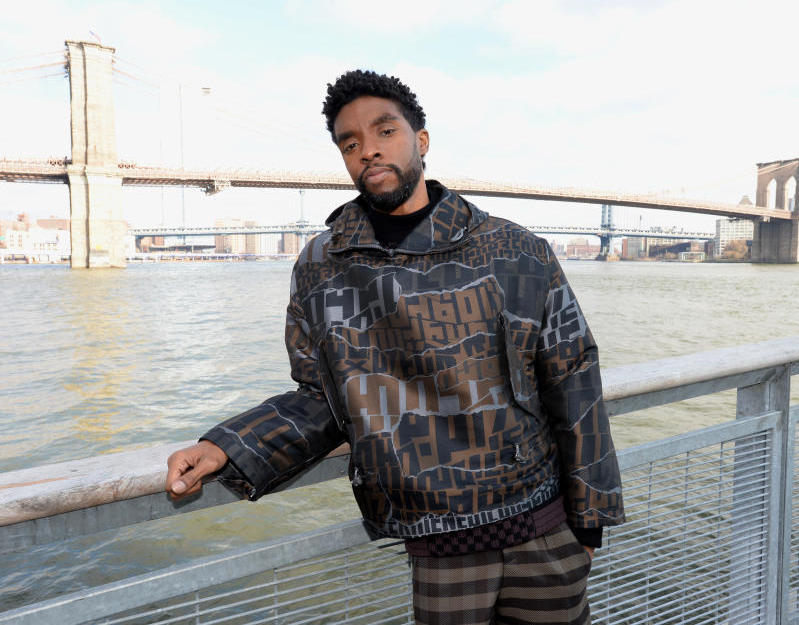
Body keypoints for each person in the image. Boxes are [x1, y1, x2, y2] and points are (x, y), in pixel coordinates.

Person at [166, 70, 624, 625]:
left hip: (546, 527)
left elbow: (573, 379)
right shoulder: (322, 267)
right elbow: (323, 396)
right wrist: (227, 448)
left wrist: (589, 517)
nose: (369, 151)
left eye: (385, 131)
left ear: (421, 141)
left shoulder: (517, 250)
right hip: (439, 541)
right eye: (350, 143)